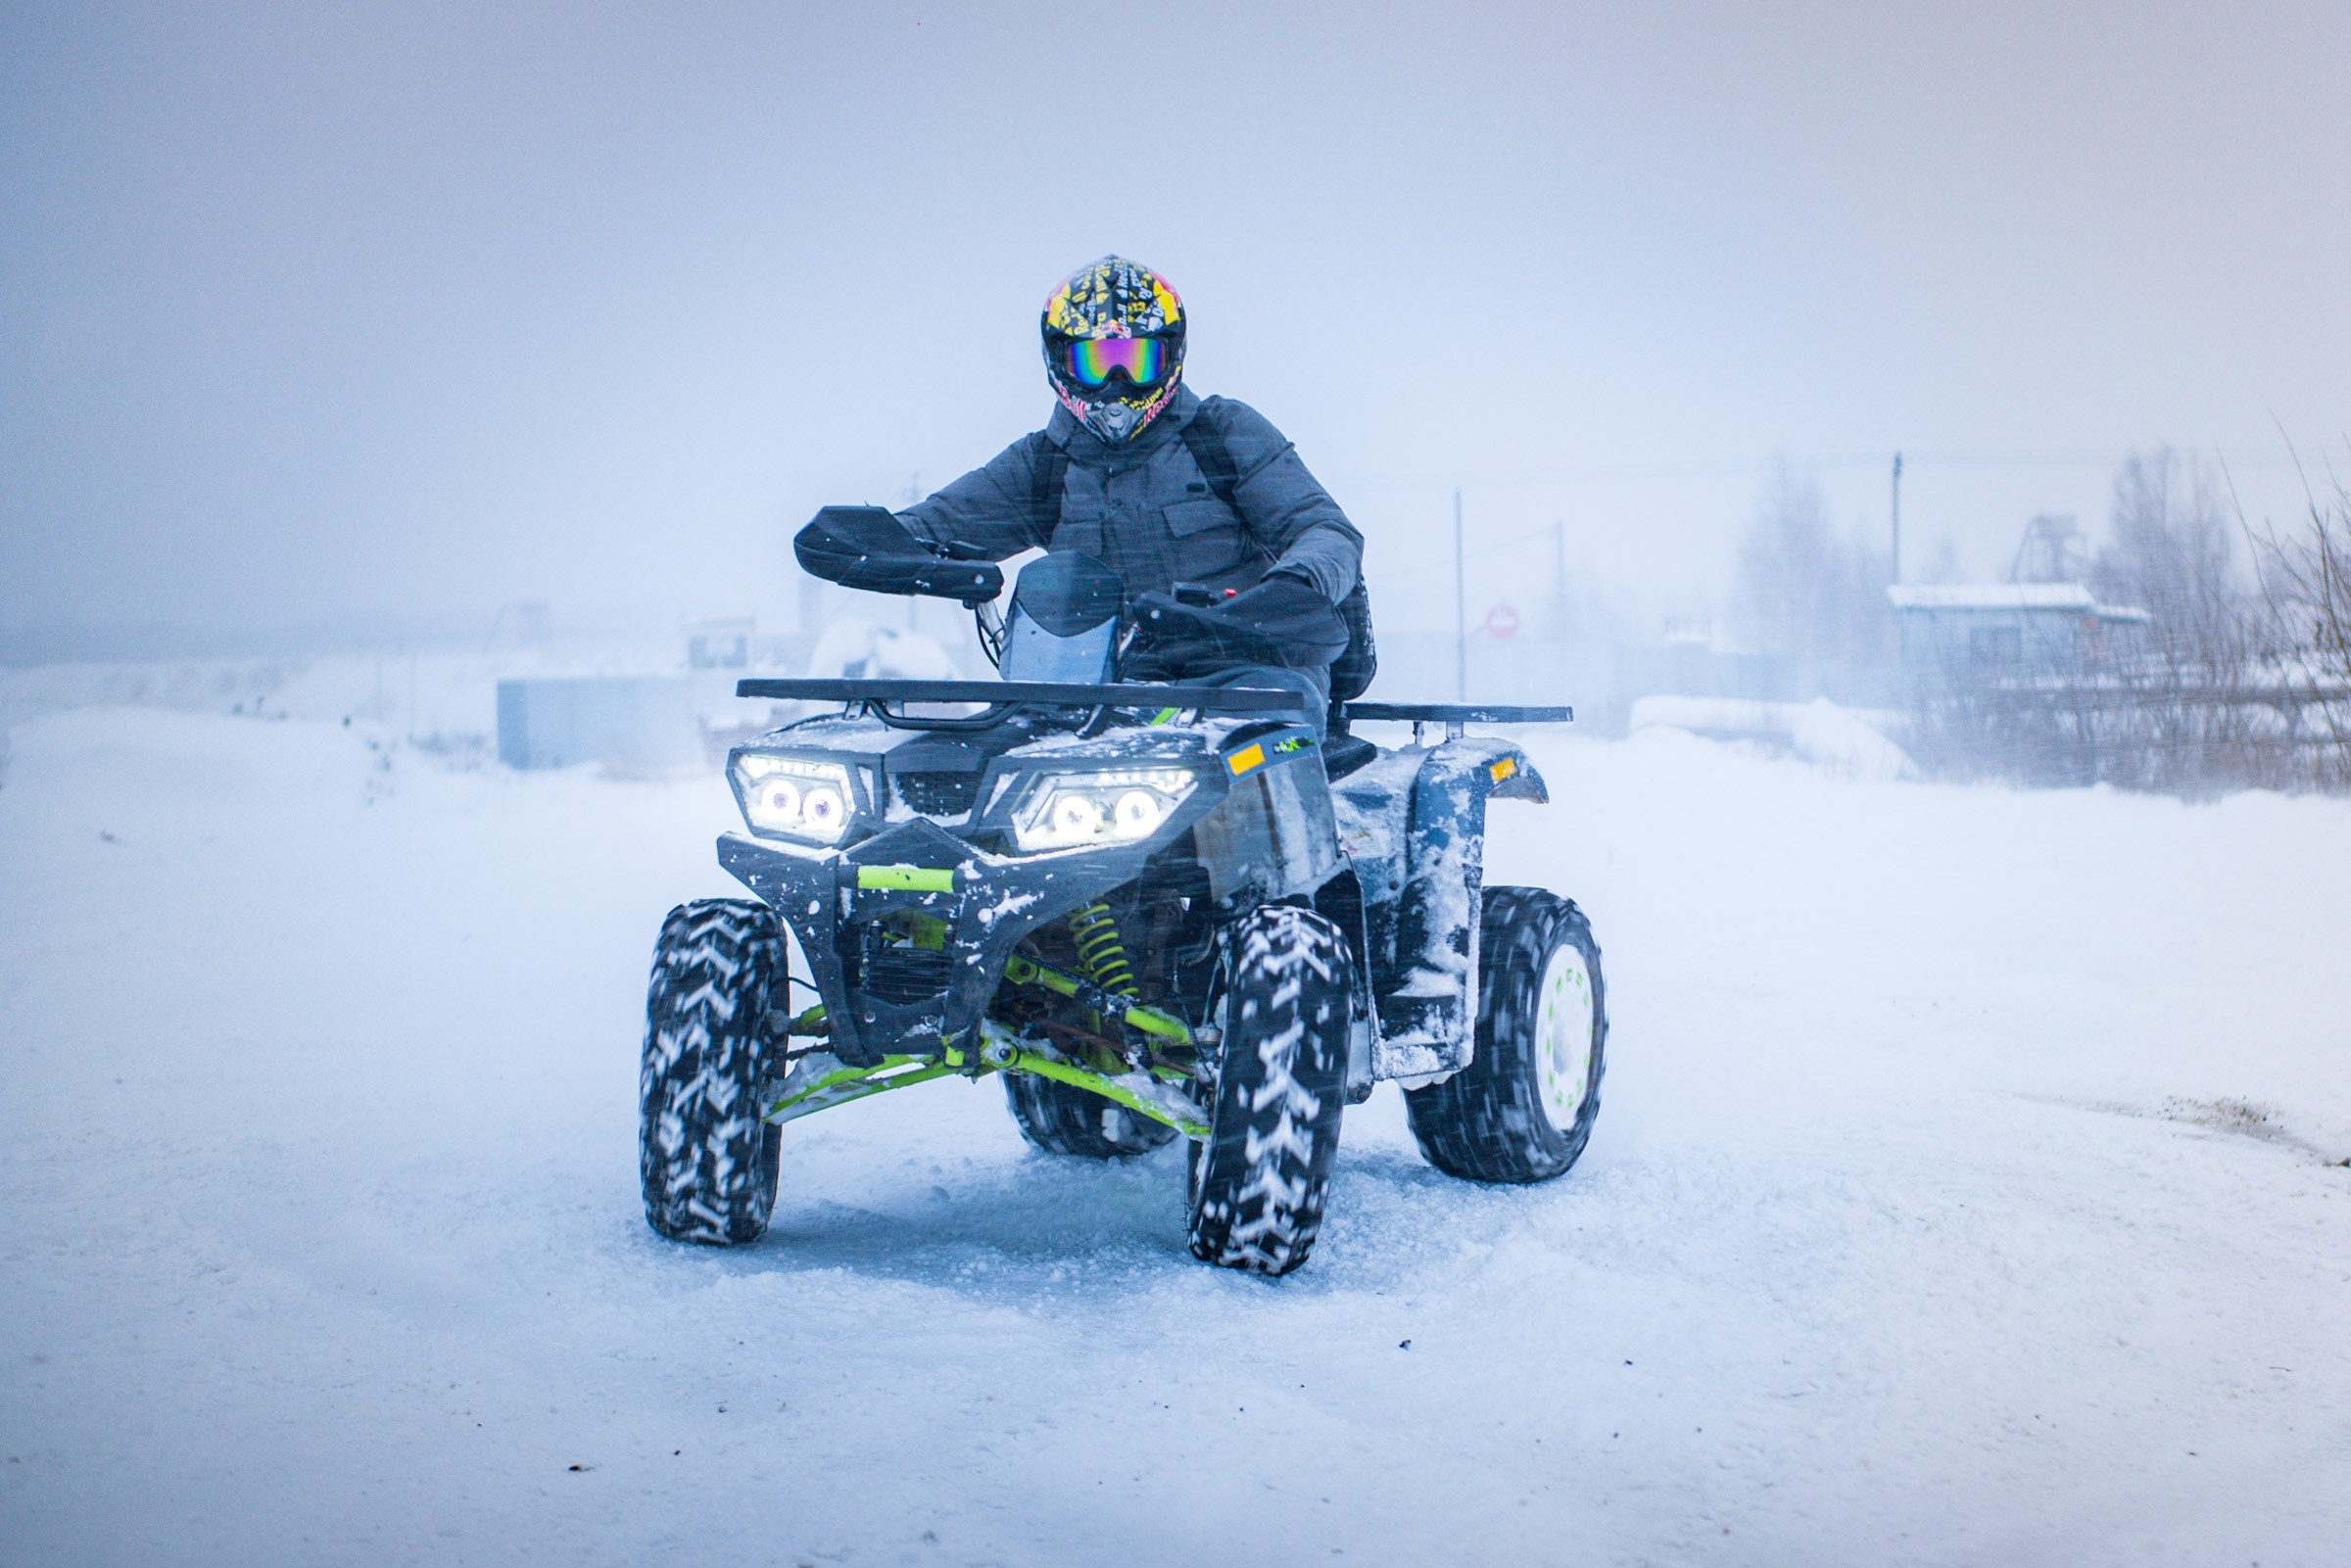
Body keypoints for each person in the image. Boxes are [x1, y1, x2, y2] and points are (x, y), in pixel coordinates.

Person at [885, 256, 1369, 733]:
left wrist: (1293, 588)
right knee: (962, 762)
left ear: (1170, 355)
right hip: (1097, 693)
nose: (1117, 386)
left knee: (1251, 754)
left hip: (1249, 679)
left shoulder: (1223, 435)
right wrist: (865, 543)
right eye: (1096, 363)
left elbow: (1326, 529)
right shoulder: (1041, 465)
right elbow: (934, 525)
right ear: (1060, 362)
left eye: (1136, 361)